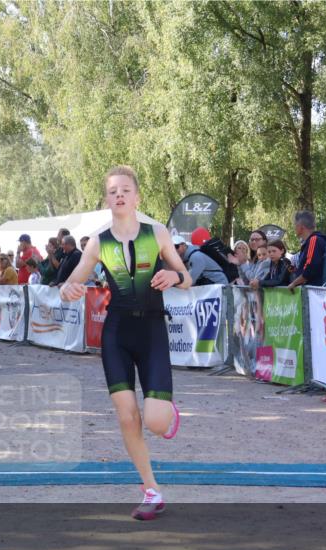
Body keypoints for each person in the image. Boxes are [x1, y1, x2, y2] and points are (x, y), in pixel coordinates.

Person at [60, 165, 192, 521]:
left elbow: (187, 277)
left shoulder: (157, 232)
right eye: (112, 191)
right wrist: (68, 290)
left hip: (152, 330)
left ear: (137, 197)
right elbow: (70, 284)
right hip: (116, 332)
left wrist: (173, 275)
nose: (119, 195)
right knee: (127, 416)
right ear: (107, 199)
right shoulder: (97, 242)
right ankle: (151, 489)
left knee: (155, 423)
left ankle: (164, 413)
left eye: (125, 190)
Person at [287, 211, 326, 292]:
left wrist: (294, 283)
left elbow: (310, 269)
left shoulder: (314, 240)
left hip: (314, 291)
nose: (294, 228)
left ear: (301, 227)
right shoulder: (310, 242)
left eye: (295, 225)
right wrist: (296, 270)